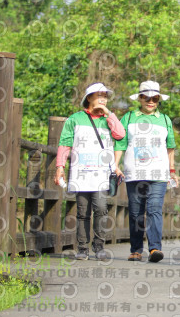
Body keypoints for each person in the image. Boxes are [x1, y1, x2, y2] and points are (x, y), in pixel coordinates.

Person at [54, 82, 126, 260]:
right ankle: (83, 248)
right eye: (98, 94)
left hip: (101, 173)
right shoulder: (74, 119)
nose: (103, 98)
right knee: (82, 211)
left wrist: (108, 113)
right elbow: (65, 143)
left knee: (101, 208)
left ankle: (99, 245)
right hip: (81, 173)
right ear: (89, 98)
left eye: (105, 95)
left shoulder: (108, 120)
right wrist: (59, 168)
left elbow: (120, 135)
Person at [114, 81, 178, 263]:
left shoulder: (165, 120)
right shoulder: (128, 117)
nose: (150, 101)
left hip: (158, 174)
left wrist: (172, 171)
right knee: (135, 212)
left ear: (158, 99)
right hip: (134, 173)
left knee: (154, 209)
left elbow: (170, 147)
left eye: (155, 98)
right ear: (140, 98)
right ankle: (136, 249)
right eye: (146, 97)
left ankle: (155, 248)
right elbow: (120, 143)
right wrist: (116, 165)